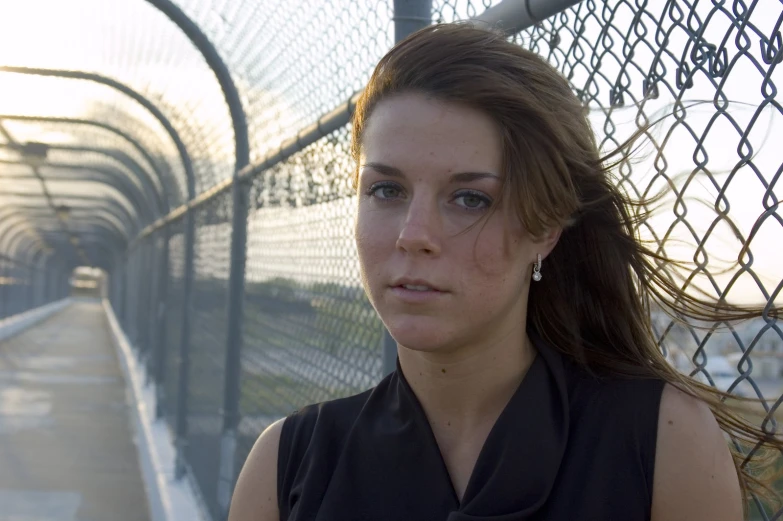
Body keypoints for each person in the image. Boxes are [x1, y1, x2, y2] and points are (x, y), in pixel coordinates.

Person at [228, 23, 781, 521]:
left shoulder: (661, 442)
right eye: (386, 190)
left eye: (469, 198)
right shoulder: (286, 466)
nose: (413, 234)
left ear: (546, 227)